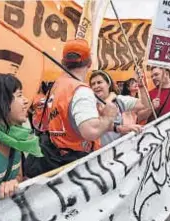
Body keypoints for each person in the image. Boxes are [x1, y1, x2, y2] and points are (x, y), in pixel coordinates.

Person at [25, 39, 118, 177]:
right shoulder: (81, 90)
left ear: (63, 62)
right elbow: (90, 131)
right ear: (90, 63)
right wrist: (109, 116)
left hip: (52, 159)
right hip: (72, 166)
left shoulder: (57, 85)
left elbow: (41, 124)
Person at [0, 74, 42, 198]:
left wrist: (12, 183)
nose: (26, 100)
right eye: (19, 95)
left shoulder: (16, 138)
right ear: (1, 101)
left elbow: (18, 176)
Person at [89, 70, 151, 146]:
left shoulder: (119, 100)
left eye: (99, 82)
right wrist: (110, 98)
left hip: (118, 150)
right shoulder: (89, 103)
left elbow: (145, 105)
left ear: (108, 84)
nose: (96, 86)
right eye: (93, 84)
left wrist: (141, 86)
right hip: (97, 152)